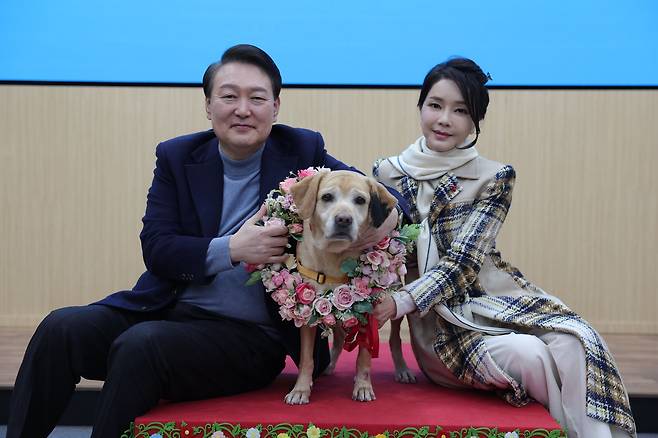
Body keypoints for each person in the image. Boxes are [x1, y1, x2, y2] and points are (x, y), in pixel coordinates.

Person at [7, 44, 400, 438]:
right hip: (164, 309)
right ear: (208, 105)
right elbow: (157, 247)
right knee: (60, 328)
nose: (242, 109)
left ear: (275, 107)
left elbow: (388, 201)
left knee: (141, 346)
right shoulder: (177, 157)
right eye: (229, 96)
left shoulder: (300, 149)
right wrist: (231, 249)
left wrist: (362, 234)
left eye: (257, 98)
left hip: (248, 337)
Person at [372, 58, 635, 438]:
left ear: (476, 122)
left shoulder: (494, 176)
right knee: (532, 357)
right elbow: (376, 250)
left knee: (577, 341)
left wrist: (399, 302)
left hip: (494, 298)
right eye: (435, 105)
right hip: (445, 330)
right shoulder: (387, 173)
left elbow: (463, 263)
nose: (445, 119)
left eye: (460, 110)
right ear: (420, 107)